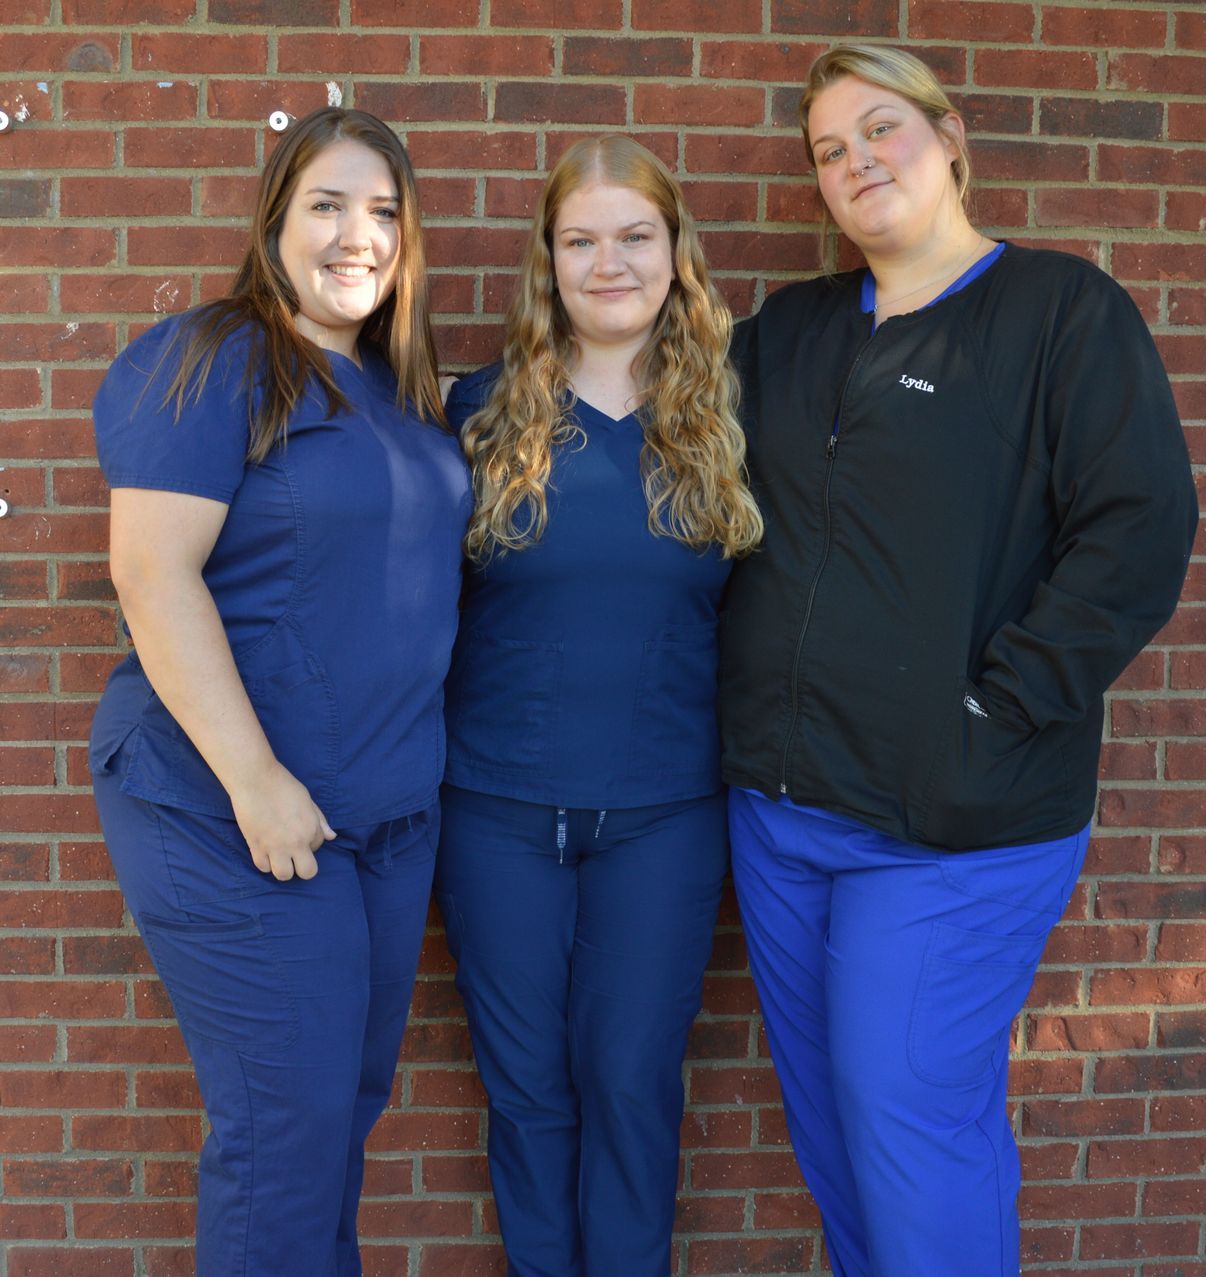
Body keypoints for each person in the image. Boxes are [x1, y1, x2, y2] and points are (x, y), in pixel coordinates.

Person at [718, 45, 1199, 1276]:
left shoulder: (1058, 313)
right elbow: (664, 436)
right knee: (832, 1132)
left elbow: (1139, 529)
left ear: (949, 136)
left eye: (880, 129)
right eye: (829, 150)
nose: (855, 162)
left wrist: (994, 707)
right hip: (781, 808)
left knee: (911, 1122)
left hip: (956, 817)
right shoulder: (792, 332)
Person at [86, 107, 469, 1276]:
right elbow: (152, 576)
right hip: (235, 811)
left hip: (387, 816)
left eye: (386, 212)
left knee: (337, 1120)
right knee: (285, 1134)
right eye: (329, 205)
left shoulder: (402, 390)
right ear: (275, 220)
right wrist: (256, 782)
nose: (360, 235)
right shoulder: (205, 358)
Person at [437, 135, 763, 1276]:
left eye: (635, 235)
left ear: (676, 252)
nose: (609, 261)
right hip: (494, 813)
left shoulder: (725, 422)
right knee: (526, 1087)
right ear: (549, 259)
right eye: (581, 239)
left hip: (666, 817)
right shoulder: (478, 416)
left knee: (630, 1083)